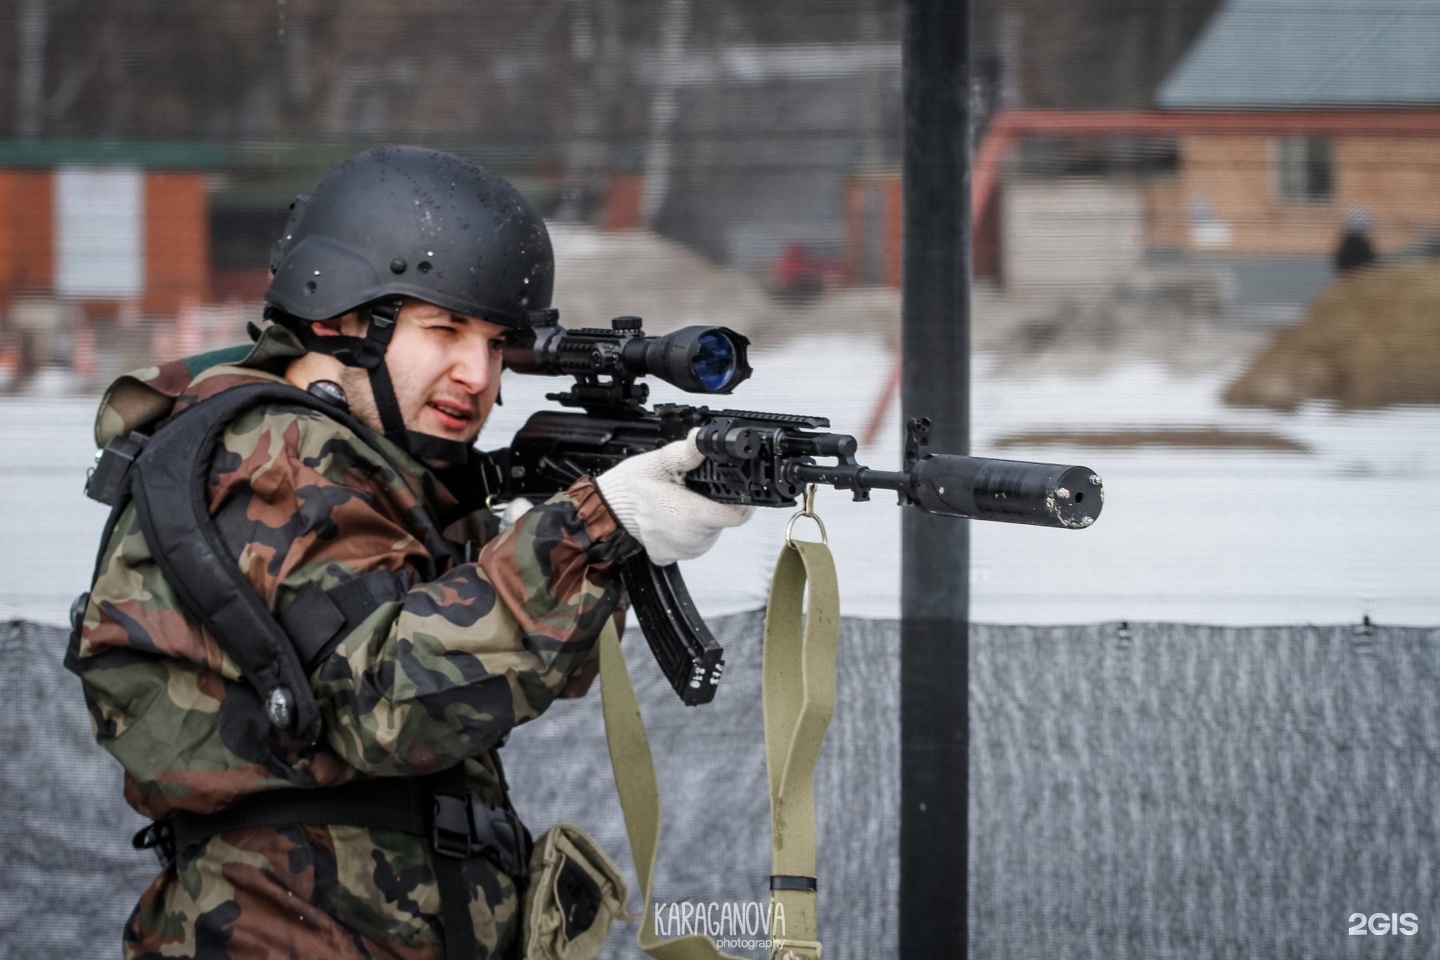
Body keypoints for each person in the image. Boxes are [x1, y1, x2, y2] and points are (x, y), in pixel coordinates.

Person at [67, 146, 753, 959]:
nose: (479, 374)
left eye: (500, 344)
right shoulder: (282, 451)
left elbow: (512, 669)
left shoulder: (380, 467)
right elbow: (383, 702)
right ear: (335, 318)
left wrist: (591, 531)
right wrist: (590, 527)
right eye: (444, 329)